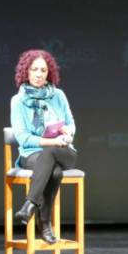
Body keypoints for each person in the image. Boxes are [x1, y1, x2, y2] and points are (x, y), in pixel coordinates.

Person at [10, 49, 77, 244]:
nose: (39, 74)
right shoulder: (18, 101)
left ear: (49, 73)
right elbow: (23, 138)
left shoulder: (58, 95)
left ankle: (29, 204)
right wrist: (51, 142)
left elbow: (71, 124)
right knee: (55, 173)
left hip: (63, 151)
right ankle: (45, 222)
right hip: (31, 154)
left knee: (52, 152)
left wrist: (67, 131)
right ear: (26, 71)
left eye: (43, 70)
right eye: (34, 70)